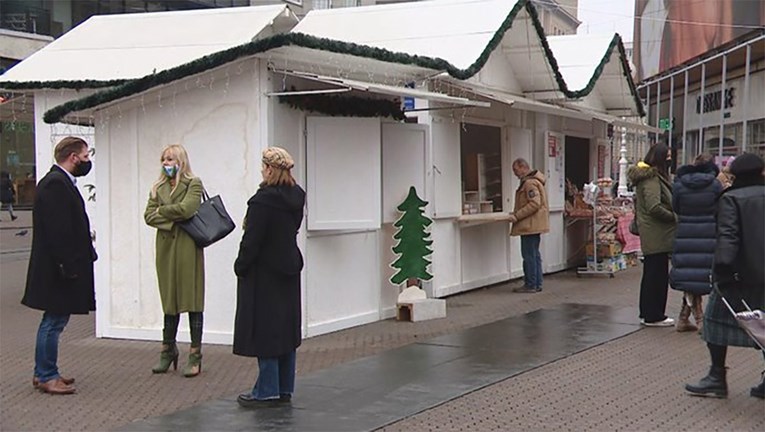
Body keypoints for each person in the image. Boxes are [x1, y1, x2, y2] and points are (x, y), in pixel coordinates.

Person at [685, 153, 765, 399]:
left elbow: (728, 237)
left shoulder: (731, 198)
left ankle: (716, 376)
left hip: (740, 276)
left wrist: (722, 268)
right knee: (764, 326)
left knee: (715, 322)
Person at [21, 136, 96, 395]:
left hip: (60, 266)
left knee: (54, 320)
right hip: (58, 269)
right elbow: (59, 231)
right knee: (53, 321)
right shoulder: (56, 184)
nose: (88, 161)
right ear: (73, 157)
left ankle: (44, 371)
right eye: (86, 156)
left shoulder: (60, 182)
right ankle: (46, 374)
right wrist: (68, 265)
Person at [234, 147, 305, 407]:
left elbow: (252, 240)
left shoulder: (262, 201)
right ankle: (284, 388)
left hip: (264, 273)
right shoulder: (296, 196)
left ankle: (266, 390)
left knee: (265, 331)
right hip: (289, 266)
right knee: (286, 330)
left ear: (269, 169)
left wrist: (240, 266)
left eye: (264, 166)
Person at [143, 144, 205, 378]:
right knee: (169, 298)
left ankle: (195, 354)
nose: (166, 163)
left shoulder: (193, 183)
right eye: (164, 159)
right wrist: (171, 214)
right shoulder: (157, 187)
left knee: (191, 298)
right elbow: (148, 215)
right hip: (166, 247)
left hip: (188, 246)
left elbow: (188, 209)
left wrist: (163, 211)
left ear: (181, 161)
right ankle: (167, 350)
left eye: (170, 159)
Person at [669, 154, 722, 333]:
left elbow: (675, 207)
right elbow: (719, 208)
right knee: (699, 275)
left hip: (685, 232)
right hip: (708, 233)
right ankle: (700, 319)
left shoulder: (680, 184)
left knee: (691, 276)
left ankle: (684, 318)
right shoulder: (715, 185)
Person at [628, 143, 676, 327]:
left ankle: (649, 312)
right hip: (657, 234)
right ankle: (654, 314)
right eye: (668, 156)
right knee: (656, 275)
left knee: (652, 273)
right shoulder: (651, 180)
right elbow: (654, 206)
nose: (670, 159)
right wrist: (673, 216)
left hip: (655, 233)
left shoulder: (650, 178)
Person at [508, 158, 549, 293]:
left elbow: (534, 204)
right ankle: (537, 283)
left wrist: (517, 215)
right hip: (534, 224)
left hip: (529, 225)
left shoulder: (529, 183)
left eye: (516, 169)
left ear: (523, 167)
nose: (515, 173)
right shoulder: (535, 181)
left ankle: (530, 284)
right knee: (534, 254)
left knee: (529, 255)